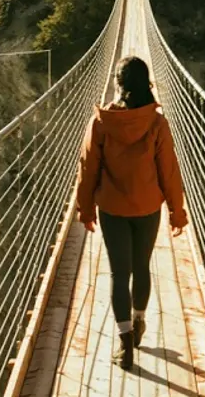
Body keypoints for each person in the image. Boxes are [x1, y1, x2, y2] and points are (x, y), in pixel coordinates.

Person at [76, 55, 189, 371]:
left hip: (112, 208)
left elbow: (88, 169)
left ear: (119, 85)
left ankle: (125, 345)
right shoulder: (157, 123)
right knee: (141, 267)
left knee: (118, 273)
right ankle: (139, 322)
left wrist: (85, 210)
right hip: (148, 208)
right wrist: (176, 213)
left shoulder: (101, 122)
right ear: (146, 84)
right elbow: (169, 171)